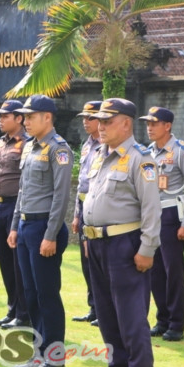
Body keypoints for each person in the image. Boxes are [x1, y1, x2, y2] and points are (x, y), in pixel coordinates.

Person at [83, 98, 160, 367]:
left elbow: (151, 208)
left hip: (124, 244)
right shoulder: (100, 155)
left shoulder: (141, 159)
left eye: (107, 121)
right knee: (106, 313)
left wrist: (147, 248)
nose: (100, 126)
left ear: (126, 123)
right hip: (97, 242)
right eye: (99, 121)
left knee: (130, 314)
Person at [7, 95, 73, 367]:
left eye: (31, 116)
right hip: (25, 226)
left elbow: (61, 195)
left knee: (47, 294)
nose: (26, 121)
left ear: (47, 117)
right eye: (24, 116)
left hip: (45, 227)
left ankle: (55, 359)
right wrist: (14, 225)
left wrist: (51, 234)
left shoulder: (59, 149)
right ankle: (39, 353)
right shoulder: (30, 147)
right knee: (30, 294)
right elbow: (22, 190)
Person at [139, 106, 184, 342]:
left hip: (171, 215)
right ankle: (162, 319)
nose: (150, 127)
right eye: (148, 123)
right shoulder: (148, 152)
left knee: (172, 271)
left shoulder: (181, 150)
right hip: (151, 216)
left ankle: (176, 324)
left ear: (167, 126)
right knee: (154, 271)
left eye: (154, 123)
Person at [0, 99, 31, 330]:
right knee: (5, 262)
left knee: (18, 263)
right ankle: (12, 309)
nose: (0, 120)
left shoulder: (27, 143)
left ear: (19, 118)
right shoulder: (0, 143)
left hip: (17, 205)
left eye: (5, 116)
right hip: (0, 206)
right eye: (0, 116)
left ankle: (24, 314)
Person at [72, 101, 103, 325]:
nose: (86, 121)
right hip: (84, 208)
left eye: (90, 117)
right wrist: (76, 214)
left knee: (99, 260)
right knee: (86, 261)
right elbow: (81, 183)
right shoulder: (87, 145)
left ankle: (104, 309)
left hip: (99, 209)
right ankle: (94, 307)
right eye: (84, 117)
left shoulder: (106, 145)